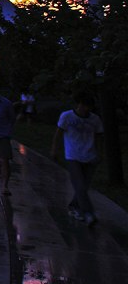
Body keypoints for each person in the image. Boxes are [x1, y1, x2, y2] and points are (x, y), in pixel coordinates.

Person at [52, 91, 104, 226]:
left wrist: (98, 153)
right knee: (79, 185)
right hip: (73, 156)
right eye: (83, 106)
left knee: (84, 187)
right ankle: (88, 212)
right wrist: (54, 150)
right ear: (78, 105)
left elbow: (99, 136)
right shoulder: (67, 116)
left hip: (90, 156)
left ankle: (74, 206)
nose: (85, 109)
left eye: (88, 107)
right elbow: (58, 134)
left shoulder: (95, 119)